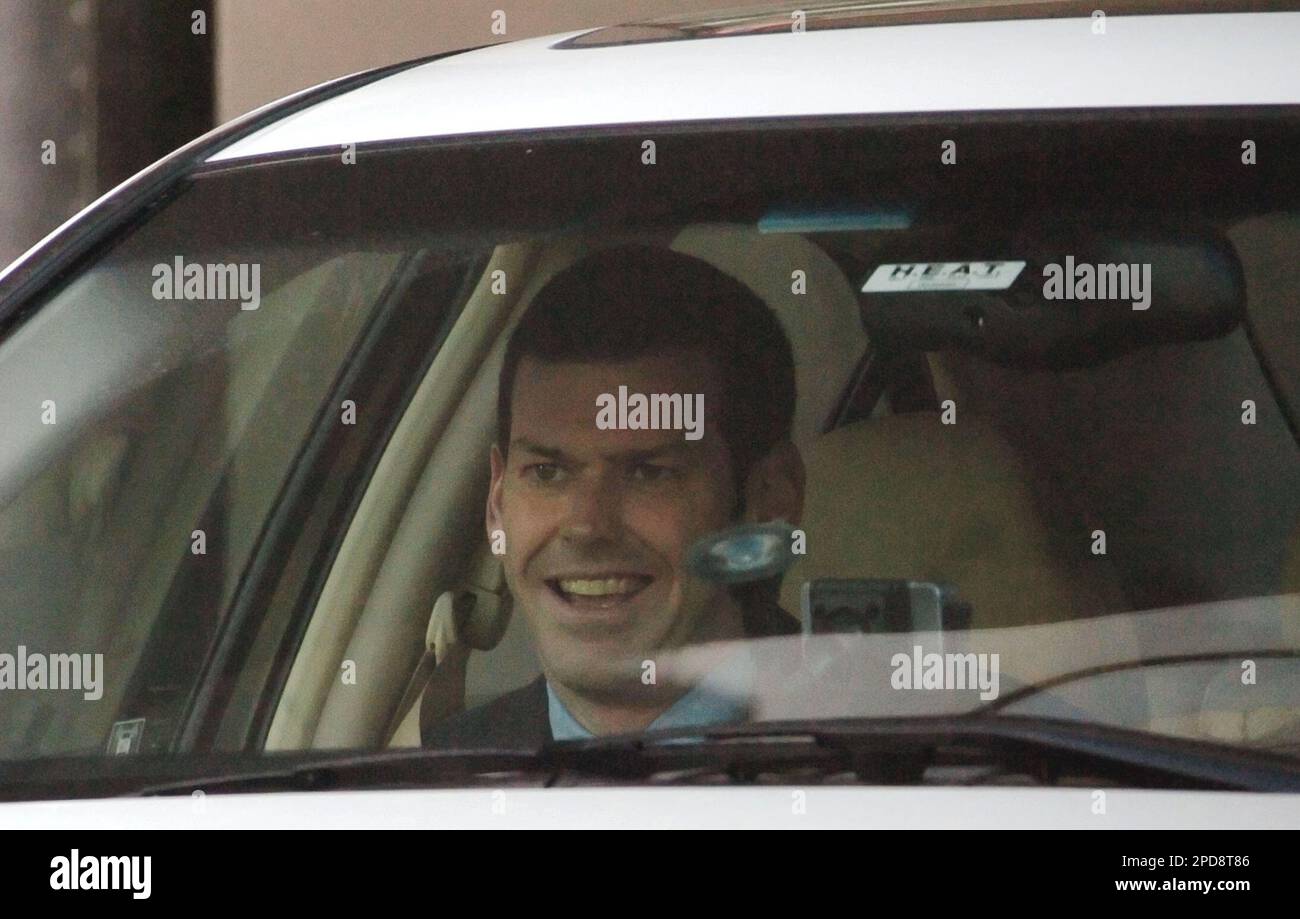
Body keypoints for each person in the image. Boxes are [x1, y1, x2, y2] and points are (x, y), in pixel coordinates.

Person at [423, 244, 805, 747]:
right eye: (547, 473)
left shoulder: (893, 759)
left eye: (649, 473)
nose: (586, 526)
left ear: (770, 501)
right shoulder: (438, 787)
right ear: (497, 503)